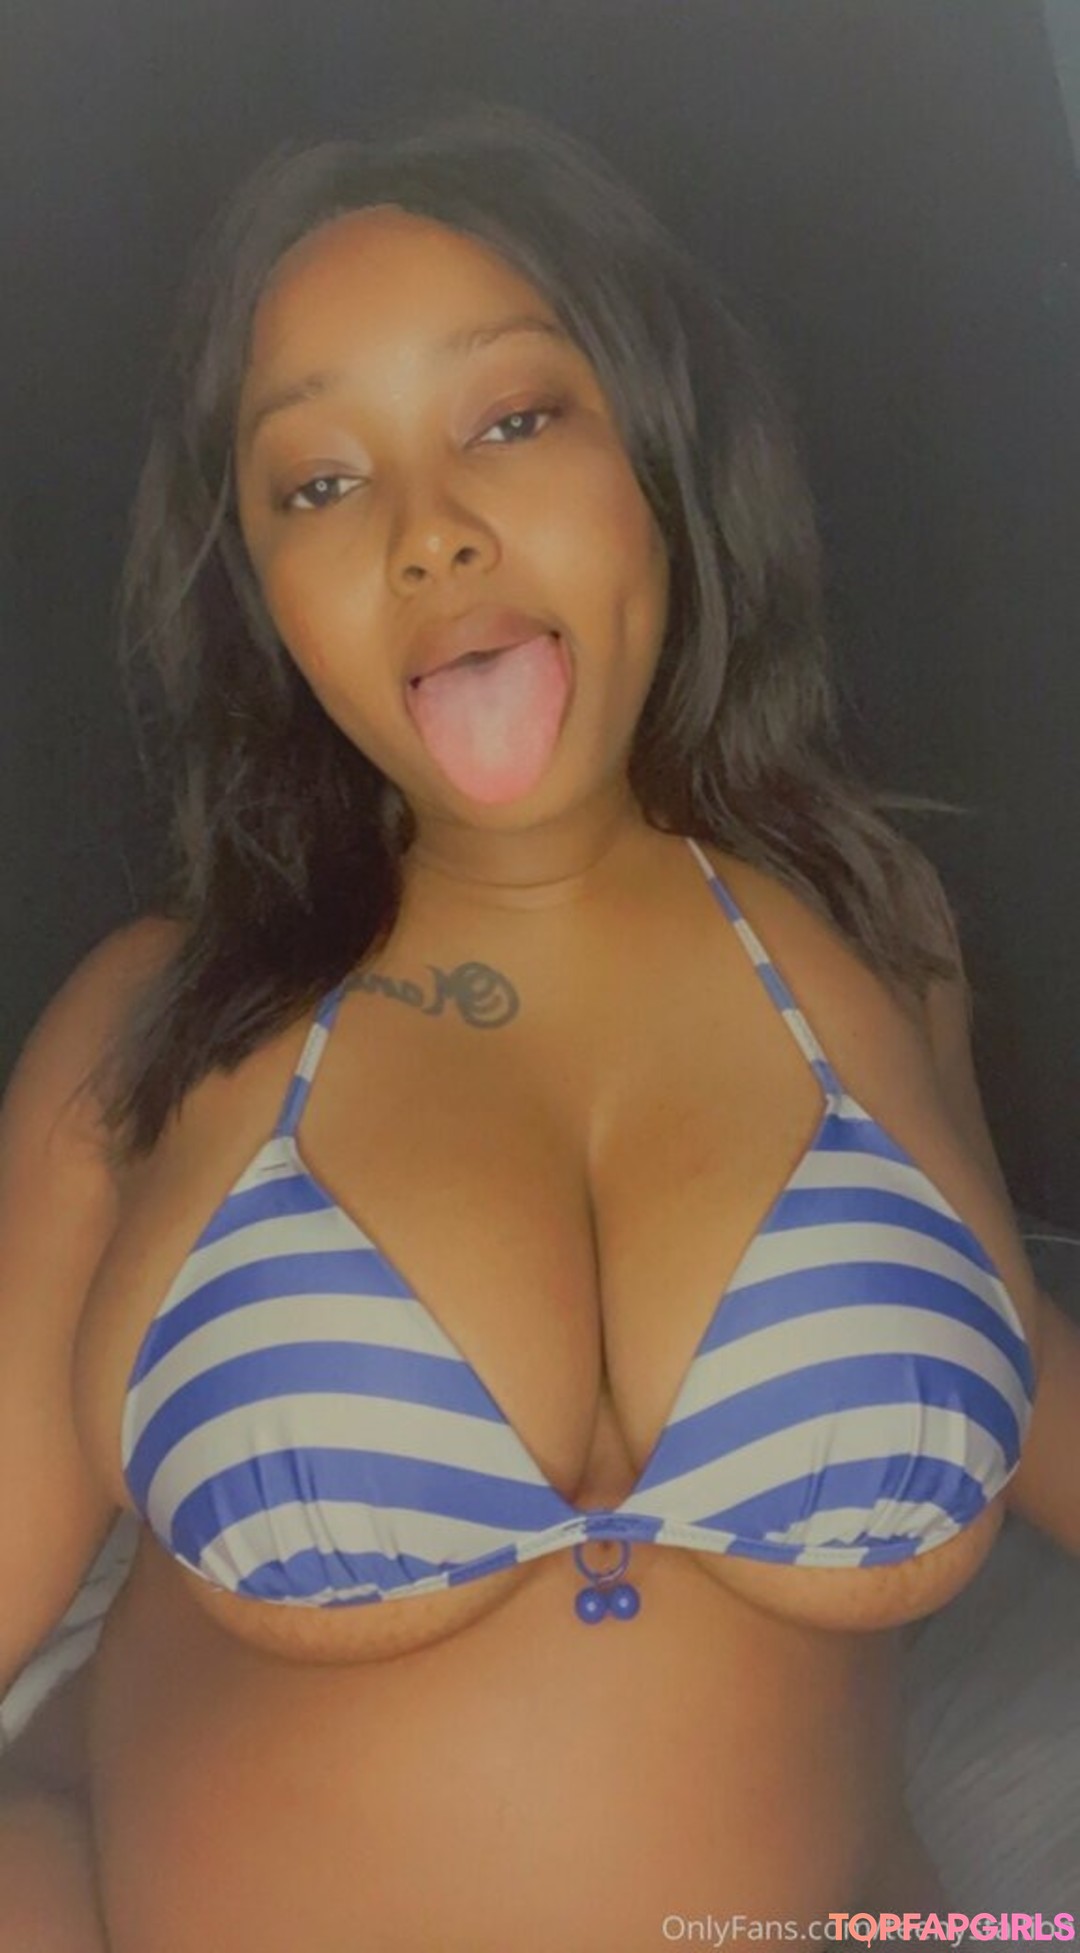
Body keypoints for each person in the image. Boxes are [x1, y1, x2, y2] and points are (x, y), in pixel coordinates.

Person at [2, 94, 1078, 1953]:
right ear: (262, 597)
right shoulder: (156, 1025)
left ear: (659, 451)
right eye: (317, 483)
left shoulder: (874, 934)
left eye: (512, 418)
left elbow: (1009, 1348)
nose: (431, 533)